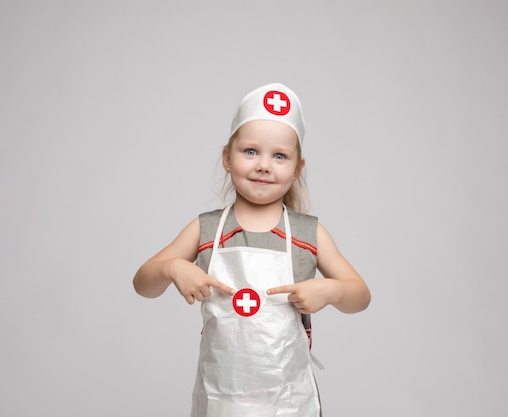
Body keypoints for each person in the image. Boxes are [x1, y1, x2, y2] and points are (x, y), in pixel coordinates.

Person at [133, 82, 371, 417]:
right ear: (227, 158)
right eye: (250, 151)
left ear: (298, 167)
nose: (263, 165)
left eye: (279, 156)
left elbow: (360, 294)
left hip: (289, 403)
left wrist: (331, 290)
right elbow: (142, 284)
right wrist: (171, 268)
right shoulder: (207, 230)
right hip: (222, 400)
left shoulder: (308, 233)